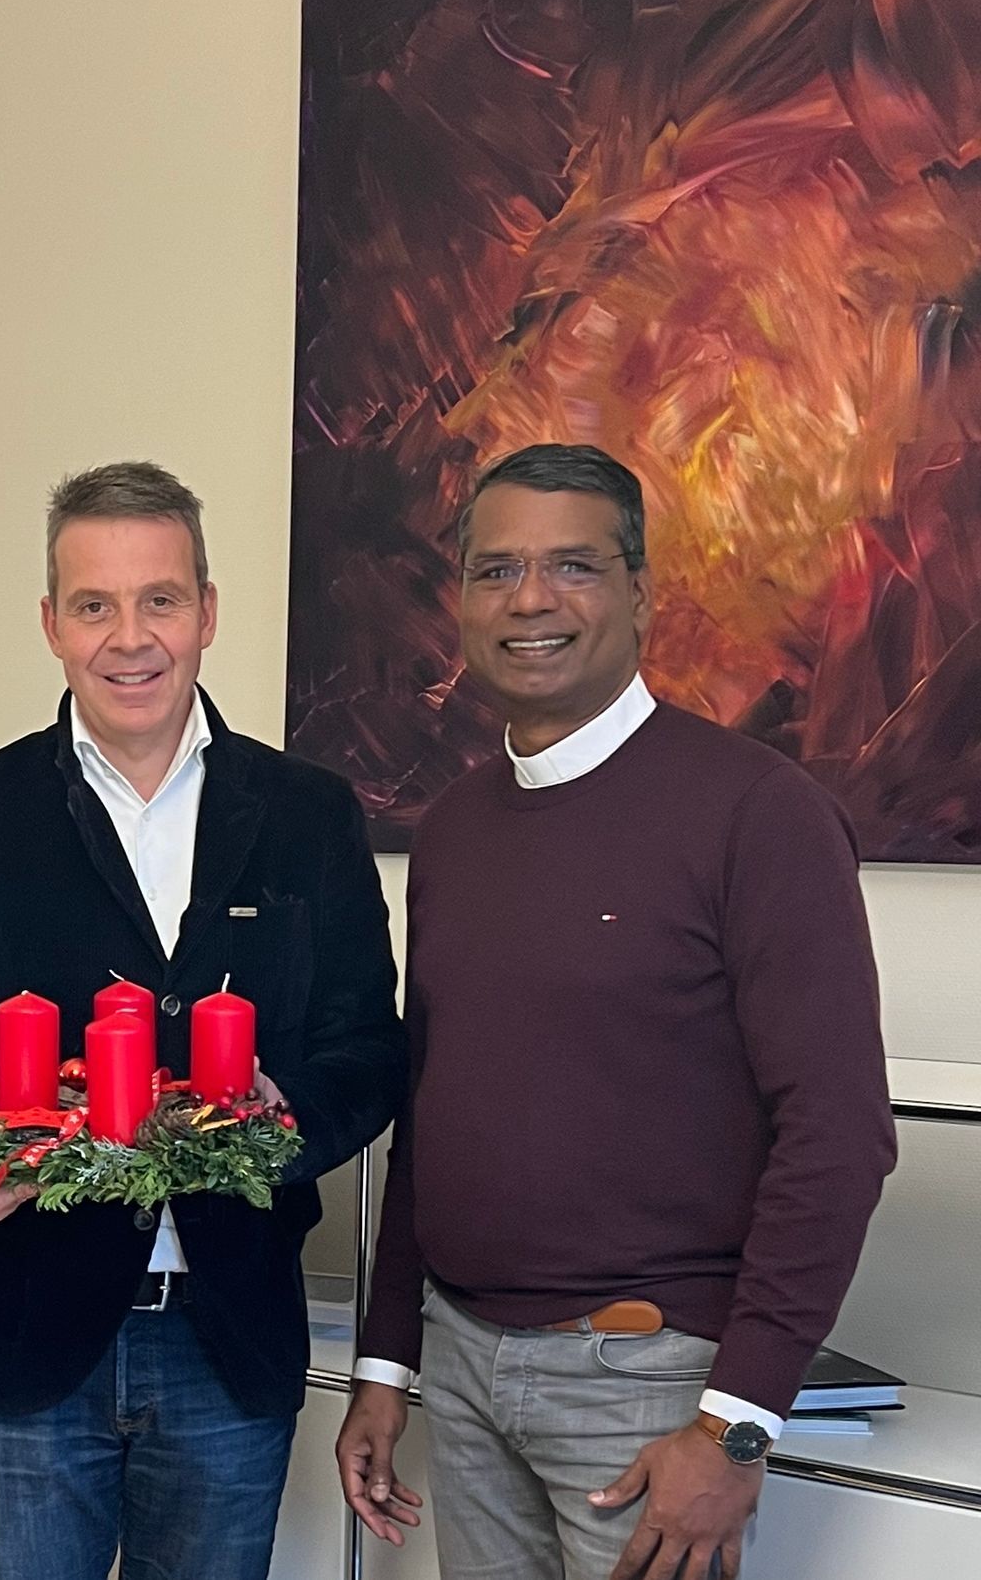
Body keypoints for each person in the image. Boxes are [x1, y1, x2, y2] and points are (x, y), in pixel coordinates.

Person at [336, 445, 897, 1580]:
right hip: (463, 1366)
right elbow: (428, 1116)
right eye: (497, 570)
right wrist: (387, 1364)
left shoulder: (760, 813)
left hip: (652, 1391)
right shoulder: (451, 832)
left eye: (573, 566)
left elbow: (839, 1134)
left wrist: (736, 1423)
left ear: (641, 594)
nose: (529, 600)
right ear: (462, 601)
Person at [0, 461, 406, 1580]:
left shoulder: (306, 814)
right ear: (51, 624)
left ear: (206, 611)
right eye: (95, 604)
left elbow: (368, 1046)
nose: (130, 637)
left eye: (159, 599)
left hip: (230, 1339)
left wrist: (281, 1122)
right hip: (24, 1340)